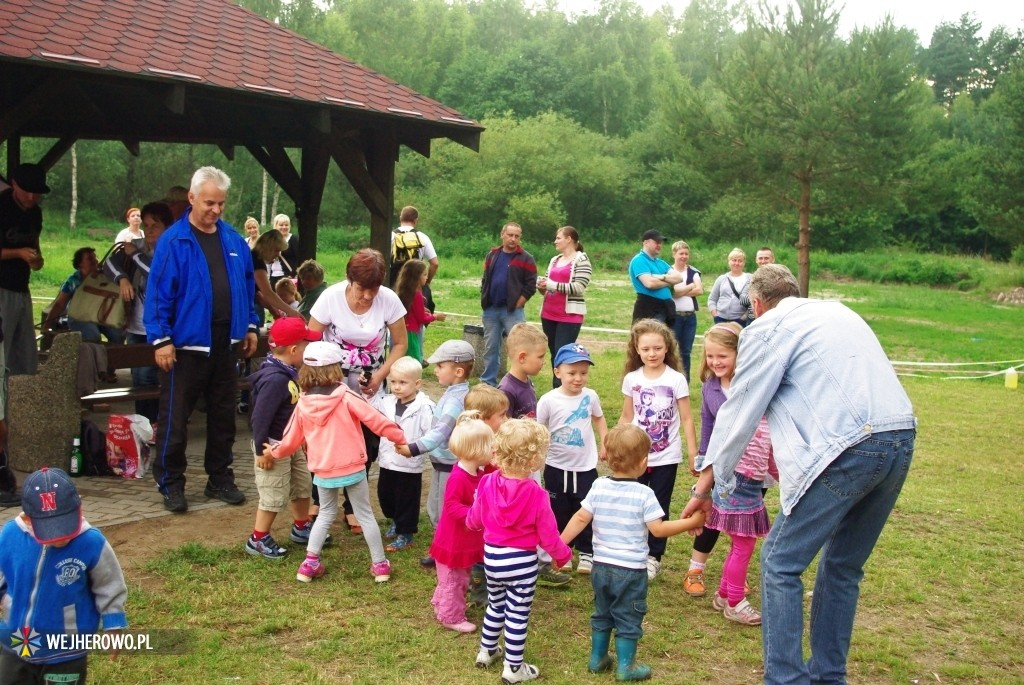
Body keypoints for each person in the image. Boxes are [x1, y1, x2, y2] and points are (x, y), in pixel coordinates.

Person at [682, 264, 917, 685]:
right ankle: (829, 677)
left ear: (756, 304)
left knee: (779, 562)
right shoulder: (839, 311)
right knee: (843, 566)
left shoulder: (767, 328)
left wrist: (706, 486)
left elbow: (741, 409)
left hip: (850, 445)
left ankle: (786, 679)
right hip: (900, 435)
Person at [145, 166, 260, 513]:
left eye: (221, 204)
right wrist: (161, 338)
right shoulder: (174, 241)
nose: (216, 210)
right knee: (176, 419)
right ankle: (171, 483)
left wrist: (251, 325)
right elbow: (159, 293)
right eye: (210, 202)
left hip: (226, 341)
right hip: (184, 346)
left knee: (224, 416)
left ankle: (219, 478)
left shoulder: (233, 239)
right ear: (192, 198)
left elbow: (247, 287)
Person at [559, 424, 706, 681]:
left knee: (602, 612)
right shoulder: (645, 494)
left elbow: (581, 517)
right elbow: (658, 530)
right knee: (628, 617)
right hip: (631, 570)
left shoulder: (598, 486)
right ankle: (626, 667)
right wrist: (691, 523)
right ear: (643, 462)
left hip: (601, 567)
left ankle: (597, 659)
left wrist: (560, 545)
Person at [263, 341, 407, 584]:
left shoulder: (303, 404)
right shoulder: (346, 396)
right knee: (365, 515)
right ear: (336, 369)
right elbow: (376, 420)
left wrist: (274, 451)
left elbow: (290, 439)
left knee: (325, 514)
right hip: (353, 467)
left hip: (323, 470)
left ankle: (309, 564)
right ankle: (380, 566)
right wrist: (399, 437)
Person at [467, 419, 573, 684]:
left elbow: (475, 519)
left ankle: (487, 650)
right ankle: (514, 668)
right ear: (535, 460)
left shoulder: (488, 482)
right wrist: (562, 555)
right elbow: (548, 535)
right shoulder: (537, 495)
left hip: (492, 557)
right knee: (517, 612)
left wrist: (470, 522)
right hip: (522, 562)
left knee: (496, 603)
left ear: (497, 452)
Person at [0, 468, 128, 683]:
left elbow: (109, 583)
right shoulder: (10, 535)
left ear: (78, 509)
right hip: (15, 641)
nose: (61, 537)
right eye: (50, 530)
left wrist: (113, 624)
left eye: (65, 526)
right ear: (29, 519)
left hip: (67, 648)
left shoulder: (91, 542)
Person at [690, 323, 778, 626]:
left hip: (750, 476)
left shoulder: (751, 387)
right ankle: (735, 602)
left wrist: (776, 471)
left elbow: (769, 439)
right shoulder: (712, 388)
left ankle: (726, 593)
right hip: (735, 475)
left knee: (741, 542)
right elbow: (709, 426)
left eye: (723, 355)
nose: (716, 362)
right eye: (710, 356)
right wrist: (703, 462)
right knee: (743, 543)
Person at [620, 318, 698, 581]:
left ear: (667, 348)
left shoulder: (676, 380)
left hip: (666, 455)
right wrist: (613, 444)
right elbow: (626, 415)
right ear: (637, 350)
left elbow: (687, 418)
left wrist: (692, 452)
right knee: (634, 503)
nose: (651, 354)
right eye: (646, 349)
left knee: (658, 505)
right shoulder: (632, 379)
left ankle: (654, 557)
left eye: (657, 348)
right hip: (635, 455)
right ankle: (634, 551)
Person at [245, 317, 321, 560]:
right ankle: (257, 538)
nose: (309, 349)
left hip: (293, 443)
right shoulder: (276, 379)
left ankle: (301, 526)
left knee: (301, 485)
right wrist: (261, 451)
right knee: (273, 493)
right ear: (294, 350)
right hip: (272, 446)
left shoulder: (290, 372)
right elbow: (260, 419)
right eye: (307, 345)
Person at [394, 339, 473, 567]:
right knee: (435, 508)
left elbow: (440, 432)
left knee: (445, 510)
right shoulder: (452, 394)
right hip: (441, 463)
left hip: (450, 465)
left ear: (457, 371)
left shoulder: (456, 401)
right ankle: (442, 547)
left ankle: (449, 550)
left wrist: (414, 448)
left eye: (440, 366)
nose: (435, 369)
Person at [536, 343, 608, 575]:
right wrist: (537, 455)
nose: (578, 379)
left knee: (586, 508)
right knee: (559, 510)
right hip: (556, 466)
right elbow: (539, 429)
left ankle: (587, 551)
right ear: (557, 372)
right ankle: (561, 551)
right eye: (572, 373)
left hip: (585, 466)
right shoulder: (548, 400)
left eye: (583, 373)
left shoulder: (591, 396)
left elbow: (599, 418)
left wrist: (605, 441)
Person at [105, 201, 173, 422]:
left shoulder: (172, 250)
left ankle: (158, 423)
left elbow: (156, 274)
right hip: (136, 325)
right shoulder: (138, 245)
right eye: (147, 225)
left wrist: (134, 255)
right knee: (140, 379)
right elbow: (108, 262)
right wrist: (122, 278)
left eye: (156, 225)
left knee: (160, 378)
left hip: (162, 328)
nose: (150, 230)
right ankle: (144, 424)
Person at [308, 248, 408, 400]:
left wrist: (380, 376)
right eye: (361, 288)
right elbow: (311, 340)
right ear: (349, 279)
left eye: (374, 289)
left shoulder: (389, 299)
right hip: (332, 379)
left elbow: (401, 344)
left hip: (370, 380)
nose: (368, 296)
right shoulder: (330, 297)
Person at [428, 413, 495, 633]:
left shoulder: (476, 471)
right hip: (453, 541)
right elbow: (452, 506)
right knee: (454, 580)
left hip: (465, 539)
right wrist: (474, 514)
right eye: (490, 447)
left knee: (456, 577)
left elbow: (492, 475)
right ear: (477, 451)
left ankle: (441, 602)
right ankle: (451, 615)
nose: (493, 451)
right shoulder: (459, 478)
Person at [375, 356, 435, 553]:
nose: (397, 387)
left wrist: (415, 447)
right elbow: (370, 409)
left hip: (409, 464)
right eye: (393, 382)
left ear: (417, 383)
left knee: (406, 499)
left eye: (402, 382)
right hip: (387, 461)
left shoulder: (425, 407)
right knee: (386, 495)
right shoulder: (387, 402)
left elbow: (431, 434)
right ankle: (394, 520)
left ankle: (405, 532)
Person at [463, 383, 511, 608]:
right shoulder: (475, 447)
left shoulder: (498, 439)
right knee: (479, 551)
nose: (506, 419)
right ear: (483, 419)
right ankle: (479, 589)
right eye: (501, 415)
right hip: (481, 509)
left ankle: (491, 585)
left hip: (496, 509)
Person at [0, 163, 48, 376]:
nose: (31, 197)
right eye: (26, 191)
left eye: (36, 193)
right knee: (2, 349)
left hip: (21, 288)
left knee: (24, 353)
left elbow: (34, 245)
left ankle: (19, 402)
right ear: (13, 184)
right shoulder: (2, 207)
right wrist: (17, 253)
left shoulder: (35, 213)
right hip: (1, 288)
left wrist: (36, 260)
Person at [480, 222, 537, 386]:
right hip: (491, 310)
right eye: (510, 235)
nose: (513, 239)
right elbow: (485, 278)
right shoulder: (492, 255)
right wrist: (484, 297)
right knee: (491, 347)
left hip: (512, 311)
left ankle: (521, 382)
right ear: (502, 234)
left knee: (520, 348)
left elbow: (530, 285)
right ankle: (487, 382)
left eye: (517, 236)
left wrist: (519, 303)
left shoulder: (526, 258)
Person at [537, 226, 592, 388]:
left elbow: (578, 287)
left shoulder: (582, 261)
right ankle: (559, 388)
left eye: (558, 238)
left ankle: (560, 388)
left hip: (569, 317)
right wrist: (542, 286)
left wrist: (552, 285)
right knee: (554, 353)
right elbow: (548, 286)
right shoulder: (554, 260)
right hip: (548, 314)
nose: (555, 241)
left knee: (562, 353)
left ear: (569, 239)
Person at [42, 247, 127, 347]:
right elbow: (60, 303)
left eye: (95, 257)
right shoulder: (73, 281)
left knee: (117, 334)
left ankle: (115, 359)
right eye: (90, 258)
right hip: (79, 316)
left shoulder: (104, 277)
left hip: (100, 316)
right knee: (92, 337)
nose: (95, 261)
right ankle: (93, 359)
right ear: (80, 264)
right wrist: (47, 324)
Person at [394, 258, 446, 363]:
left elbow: (412, 309)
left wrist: (421, 309)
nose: (427, 278)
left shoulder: (405, 291)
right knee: (414, 361)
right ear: (416, 277)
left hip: (404, 331)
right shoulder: (417, 294)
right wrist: (436, 316)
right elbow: (422, 318)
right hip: (412, 333)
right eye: (424, 275)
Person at [390, 205, 439, 311]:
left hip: (393, 283)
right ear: (415, 221)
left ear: (400, 218)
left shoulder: (390, 236)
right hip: (415, 284)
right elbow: (434, 263)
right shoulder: (422, 237)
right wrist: (426, 281)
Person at [667, 240, 703, 381]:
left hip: (690, 318)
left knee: (686, 352)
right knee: (671, 350)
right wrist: (689, 287)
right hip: (673, 317)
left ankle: (684, 381)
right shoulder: (668, 271)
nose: (684, 256)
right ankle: (670, 379)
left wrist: (680, 290)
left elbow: (699, 290)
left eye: (686, 254)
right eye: (681, 253)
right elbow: (672, 293)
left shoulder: (693, 272)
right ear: (674, 254)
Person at [628, 229, 681, 324]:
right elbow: (650, 283)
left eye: (660, 242)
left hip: (666, 309)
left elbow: (679, 278)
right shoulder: (639, 260)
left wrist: (662, 277)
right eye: (656, 242)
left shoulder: (661, 262)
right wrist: (670, 282)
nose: (659, 245)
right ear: (646, 243)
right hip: (649, 308)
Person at [498, 322, 547, 421]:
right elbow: (504, 426)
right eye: (540, 356)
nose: (544, 361)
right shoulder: (506, 390)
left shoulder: (527, 380)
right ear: (522, 357)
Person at [251, 229, 303, 322]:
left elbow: (259, 294)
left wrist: (274, 310)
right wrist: (290, 311)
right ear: (268, 248)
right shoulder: (256, 262)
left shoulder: (253, 257)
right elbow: (267, 292)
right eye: (277, 250)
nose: (279, 254)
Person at [707, 248, 752, 326]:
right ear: (729, 262)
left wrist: (743, 317)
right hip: (720, 319)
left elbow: (753, 302)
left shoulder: (750, 278)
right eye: (734, 260)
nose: (737, 263)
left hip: (740, 321)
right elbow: (712, 299)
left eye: (740, 261)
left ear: (744, 263)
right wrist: (715, 316)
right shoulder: (721, 278)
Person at [267, 213, 299, 285]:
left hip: (288, 276)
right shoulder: (271, 240)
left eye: (286, 225)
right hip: (273, 276)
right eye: (281, 225)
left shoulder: (293, 239)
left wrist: (294, 273)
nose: (284, 227)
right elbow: (266, 260)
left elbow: (298, 258)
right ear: (276, 226)